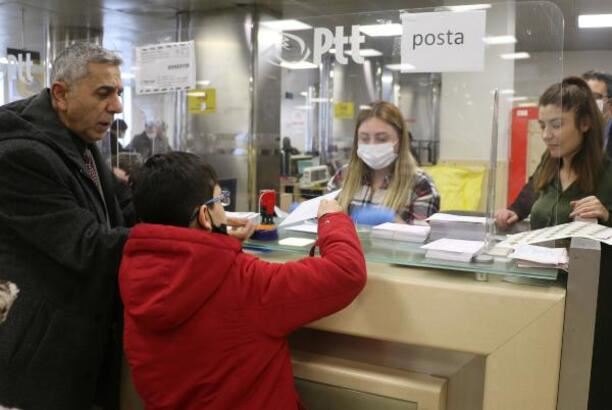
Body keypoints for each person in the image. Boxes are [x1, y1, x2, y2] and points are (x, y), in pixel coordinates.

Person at [120, 152, 366, 409]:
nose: (223, 211)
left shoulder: (134, 275)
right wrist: (332, 218)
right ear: (205, 215)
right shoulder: (246, 281)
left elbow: (185, 267)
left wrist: (216, 246)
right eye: (219, 201)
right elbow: (346, 272)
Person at [0, 43, 131, 409]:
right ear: (60, 94)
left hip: (80, 344)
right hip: (39, 362)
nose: (117, 106)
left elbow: (122, 206)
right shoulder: (21, 155)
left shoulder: (77, 139)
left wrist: (193, 215)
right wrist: (181, 244)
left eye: (119, 93)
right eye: (104, 93)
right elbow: (87, 244)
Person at [497, 71, 612, 229]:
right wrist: (515, 210)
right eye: (543, 126)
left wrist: (606, 216)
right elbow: (535, 186)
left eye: (556, 125)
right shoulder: (551, 160)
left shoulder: (607, 172)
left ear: (585, 124)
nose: (546, 135)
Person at [327, 100, 440, 224]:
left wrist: (394, 222)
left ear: (401, 140)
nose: (372, 145)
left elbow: (422, 238)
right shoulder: (343, 176)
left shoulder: (420, 184)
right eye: (364, 138)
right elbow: (321, 225)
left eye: (382, 139)